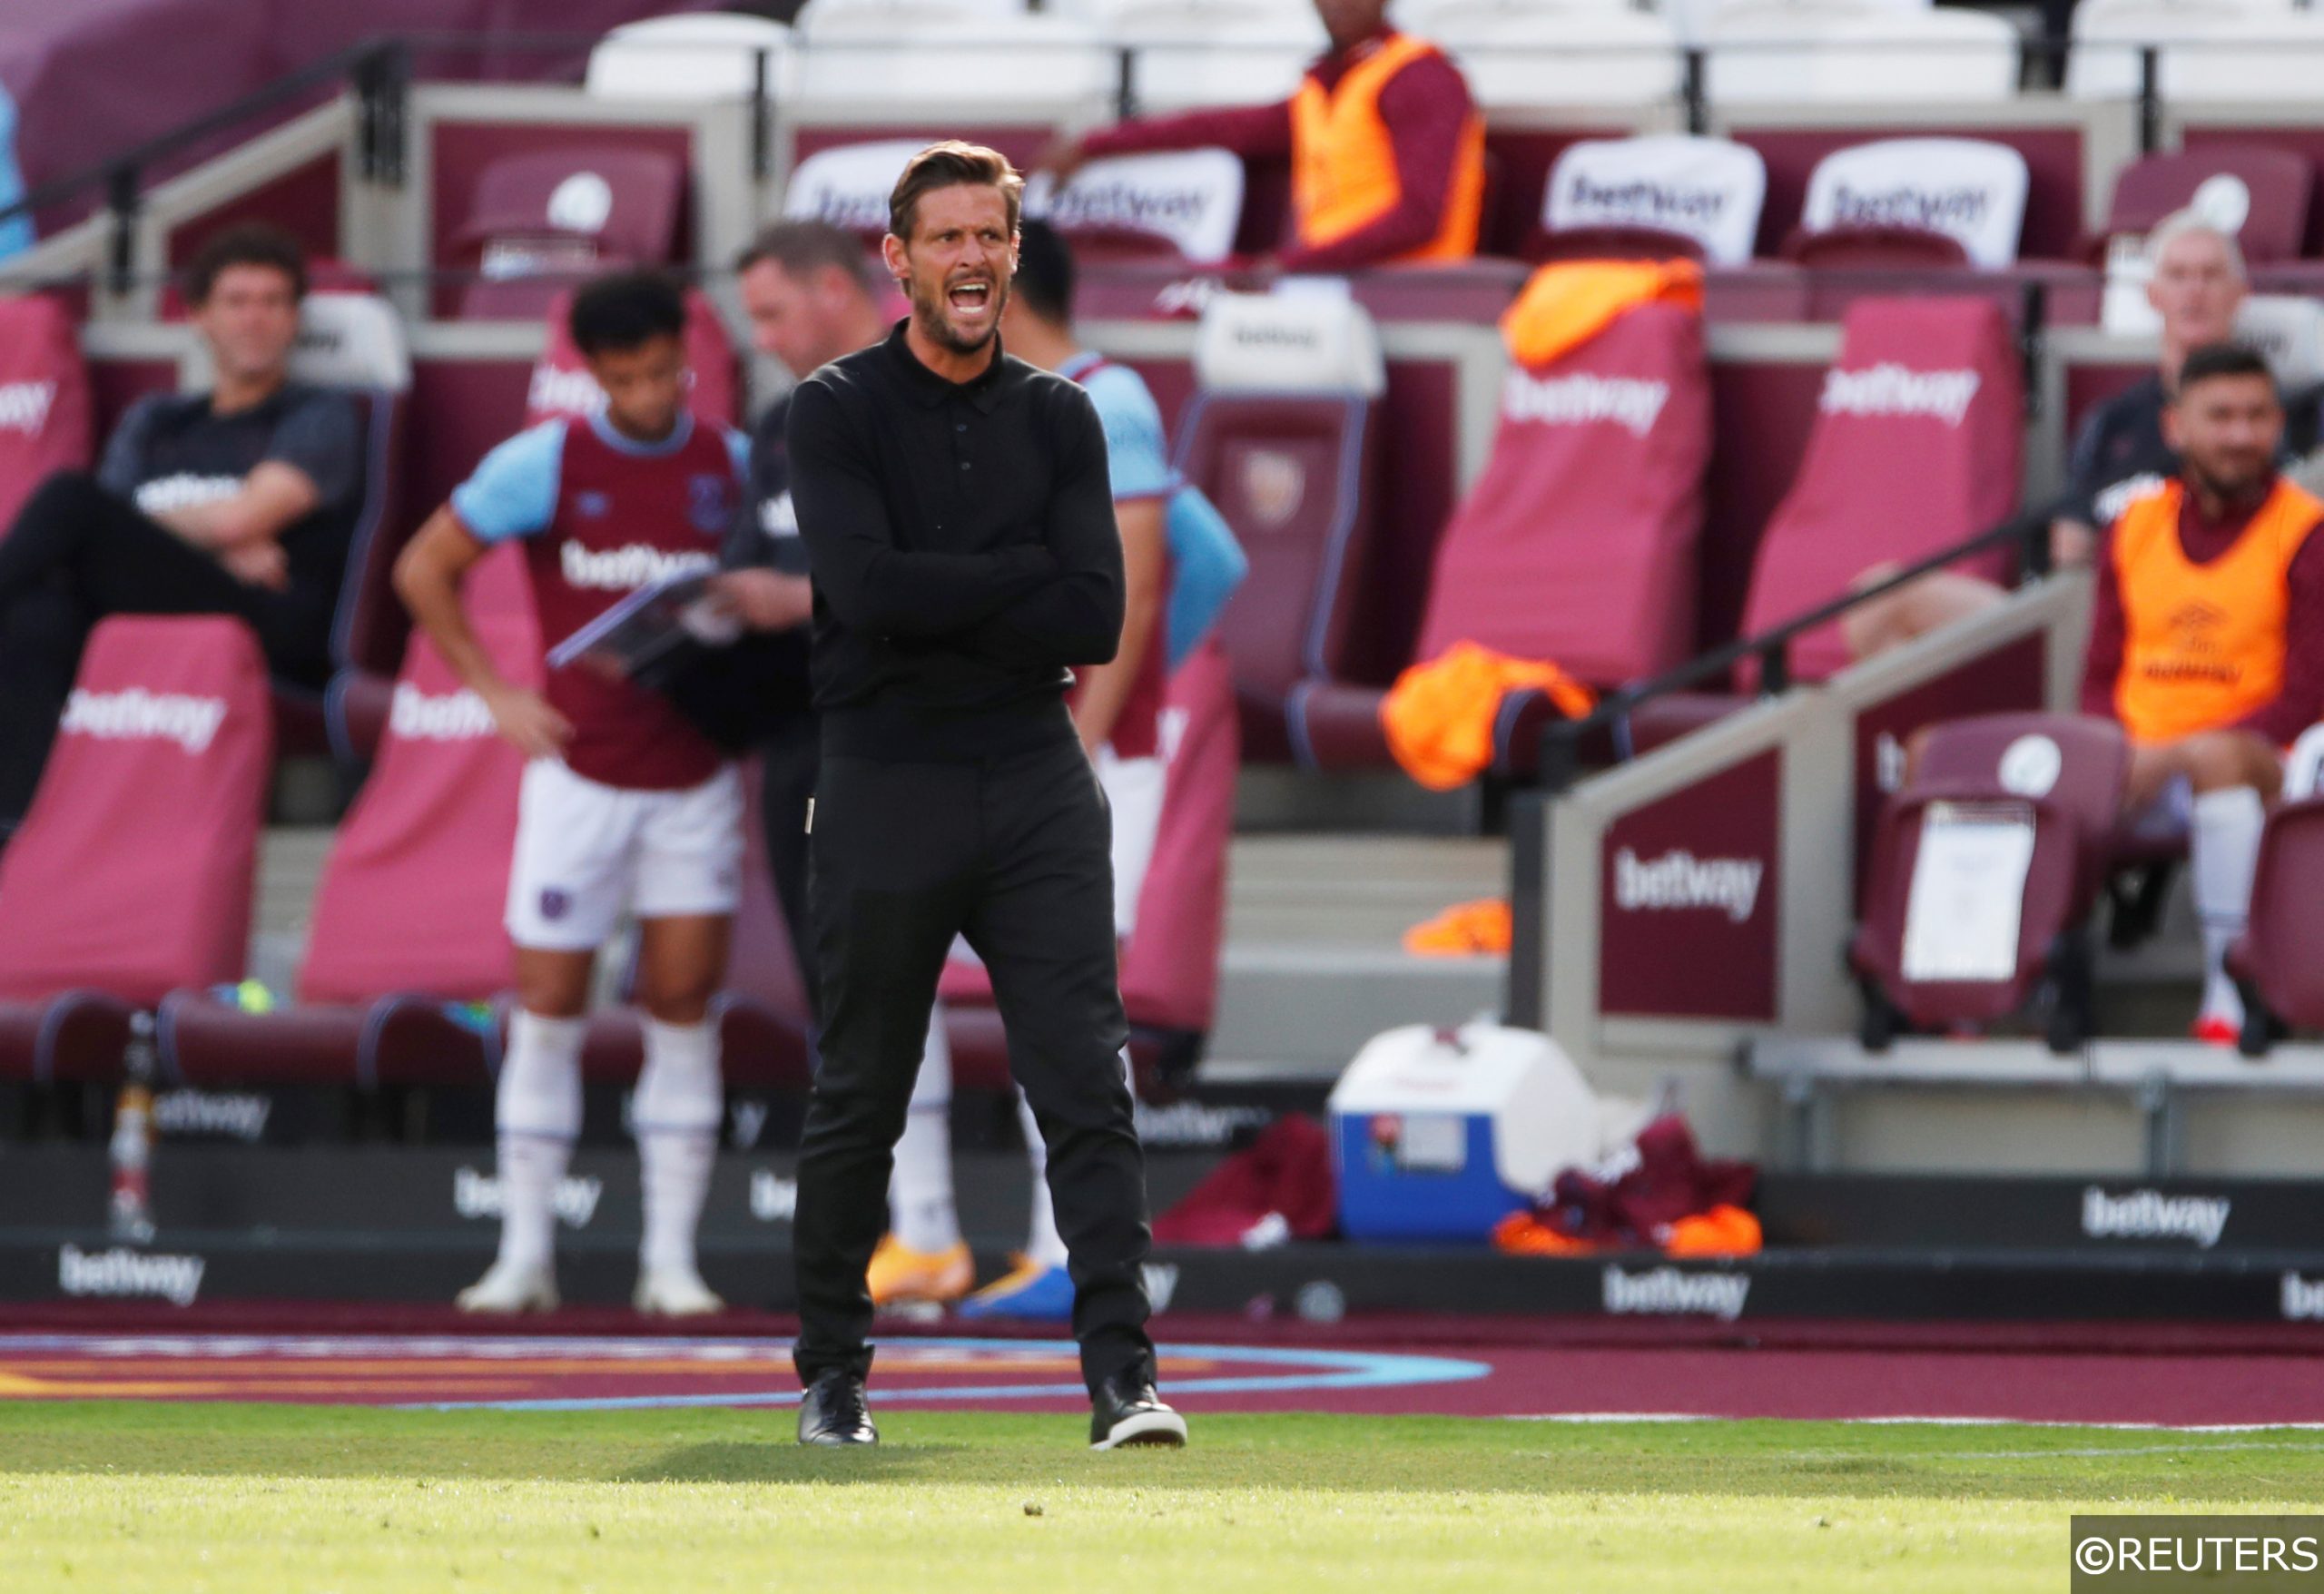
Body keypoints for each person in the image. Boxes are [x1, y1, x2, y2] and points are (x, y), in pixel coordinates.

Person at [785, 142, 1185, 1451]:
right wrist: (1012, 582)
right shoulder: (834, 408)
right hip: (883, 777)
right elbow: (869, 590)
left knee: (1086, 1079)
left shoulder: (1063, 415)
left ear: (1015, 254)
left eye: (989, 237)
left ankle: (1125, 1380)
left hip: (1031, 776)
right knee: (863, 1090)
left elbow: (1100, 617)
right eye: (943, 238)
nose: (970, 259)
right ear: (896, 261)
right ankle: (833, 1379)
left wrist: (951, 591)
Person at [873, 217, 1245, 1322]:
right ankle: (945, 1237)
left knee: (1066, 1001)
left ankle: (1070, 1257)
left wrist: (1093, 733)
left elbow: (1141, 581)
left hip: (1066, 754)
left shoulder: (1101, 397)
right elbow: (1211, 556)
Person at [393, 272, 750, 1317]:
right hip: (578, 777)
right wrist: (497, 692)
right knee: (548, 1007)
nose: (648, 395)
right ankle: (522, 1257)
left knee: (683, 1008)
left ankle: (671, 1263)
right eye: (626, 378)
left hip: (696, 775)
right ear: (590, 372)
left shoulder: (732, 464)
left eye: (663, 371)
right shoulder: (543, 460)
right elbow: (424, 567)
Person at [0, 223, 360, 841]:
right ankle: (20, 831)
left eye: (274, 303)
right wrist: (214, 532)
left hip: (272, 615)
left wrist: (212, 526)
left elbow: (233, 520)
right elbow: (127, 532)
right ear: (199, 317)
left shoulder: (318, 413)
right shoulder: (158, 418)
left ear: (295, 319)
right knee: (37, 613)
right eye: (238, 302)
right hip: (161, 598)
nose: (257, 319)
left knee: (66, 499)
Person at [1845, 214, 2318, 661]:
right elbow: (2069, 539)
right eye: (2178, 275)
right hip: (2094, 616)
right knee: (1878, 594)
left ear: (2241, 293)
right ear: (2153, 295)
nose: (2195, 291)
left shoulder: (2279, 416)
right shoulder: (2113, 420)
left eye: (2211, 275)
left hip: (2212, 620)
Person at [655, 221, 892, 1019]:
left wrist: (798, 600)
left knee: (902, 976)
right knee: (833, 980)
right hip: (801, 727)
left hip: (911, 726)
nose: (760, 339)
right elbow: (747, 555)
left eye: (773, 314)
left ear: (834, 290)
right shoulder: (779, 425)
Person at [2080, 342, 2324, 1044]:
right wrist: (2107, 751)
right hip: (2138, 762)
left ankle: (2229, 993)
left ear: (2279, 425)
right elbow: (2098, 676)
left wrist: (2178, 756)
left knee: (2218, 760)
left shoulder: (2305, 530)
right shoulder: (2133, 526)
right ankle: (1973, 997)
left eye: (2257, 416)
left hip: (2265, 764)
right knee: (1988, 761)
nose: (2241, 436)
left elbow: (2307, 697)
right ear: (2174, 428)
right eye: (2220, 416)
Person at [1040, 0, 1484, 271]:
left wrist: (1290, 266)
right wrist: (1094, 144)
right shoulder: (1328, 83)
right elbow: (1221, 127)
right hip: (1337, 279)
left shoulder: (1421, 76)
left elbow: (1421, 216)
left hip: (1413, 290)